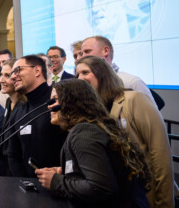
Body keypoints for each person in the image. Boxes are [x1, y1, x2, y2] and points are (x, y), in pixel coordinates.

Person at [76, 56, 174, 207]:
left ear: (102, 74)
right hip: (119, 197)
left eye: (85, 72)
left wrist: (164, 203)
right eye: (77, 74)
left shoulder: (134, 99)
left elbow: (160, 155)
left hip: (145, 193)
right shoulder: (94, 112)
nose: (80, 78)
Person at [36, 79, 150, 208]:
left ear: (73, 102)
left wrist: (56, 182)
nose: (50, 106)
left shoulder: (84, 133)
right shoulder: (89, 128)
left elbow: (101, 188)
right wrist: (69, 174)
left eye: (55, 100)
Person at [8, 55, 66, 178]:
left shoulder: (58, 100)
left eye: (18, 70)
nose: (13, 76)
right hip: (28, 189)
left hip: (61, 185)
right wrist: (26, 183)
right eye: (12, 73)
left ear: (37, 71)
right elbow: (13, 154)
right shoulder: (19, 108)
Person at [0, 59, 26, 176]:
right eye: (1, 75)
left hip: (19, 170)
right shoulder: (9, 101)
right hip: (6, 167)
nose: (1, 80)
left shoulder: (25, 106)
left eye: (7, 75)